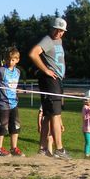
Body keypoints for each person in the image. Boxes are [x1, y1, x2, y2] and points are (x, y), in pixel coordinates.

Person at [29, 17, 69, 159]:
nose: (59, 33)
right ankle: (59, 149)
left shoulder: (59, 41)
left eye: (62, 31)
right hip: (50, 81)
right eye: (57, 30)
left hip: (56, 81)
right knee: (55, 115)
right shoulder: (48, 40)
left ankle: (42, 149)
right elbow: (33, 53)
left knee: (47, 115)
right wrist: (45, 70)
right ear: (52, 28)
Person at [0, 48, 23, 156]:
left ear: (17, 60)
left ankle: (14, 148)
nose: (10, 62)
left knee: (15, 126)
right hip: (2, 103)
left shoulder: (18, 72)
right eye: (9, 59)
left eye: (13, 60)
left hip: (13, 103)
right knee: (2, 126)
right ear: (5, 59)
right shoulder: (0, 71)